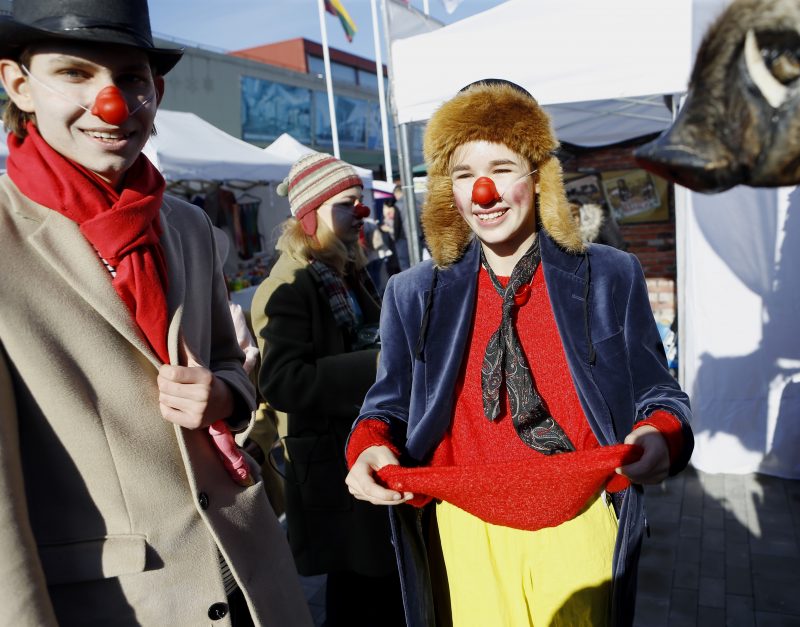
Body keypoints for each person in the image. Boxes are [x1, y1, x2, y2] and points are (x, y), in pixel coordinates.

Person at [0, 1, 311, 625]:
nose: (110, 102)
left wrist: (223, 394)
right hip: (123, 604)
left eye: (130, 78)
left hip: (252, 576)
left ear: (156, 92)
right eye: (75, 73)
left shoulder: (189, 224)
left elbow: (228, 359)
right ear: (18, 85)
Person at [344, 79, 694, 626]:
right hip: (463, 532)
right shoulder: (413, 294)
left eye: (502, 169)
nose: (485, 193)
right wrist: (366, 446)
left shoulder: (609, 275)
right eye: (465, 175)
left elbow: (658, 392)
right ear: (449, 191)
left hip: (581, 525)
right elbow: (386, 407)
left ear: (537, 175)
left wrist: (662, 434)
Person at [251, 151, 405, 627]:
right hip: (329, 468)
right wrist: (379, 363)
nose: (360, 214)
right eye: (346, 205)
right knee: (358, 594)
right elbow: (280, 382)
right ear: (310, 214)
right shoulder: (290, 285)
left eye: (360, 203)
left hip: (359, 449)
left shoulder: (347, 272)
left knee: (375, 587)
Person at [380, 198, 411, 271]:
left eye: (385, 207)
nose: (384, 210)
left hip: (398, 244)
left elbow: (397, 229)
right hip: (392, 247)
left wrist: (388, 229)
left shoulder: (394, 214)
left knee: (402, 266)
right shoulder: (386, 218)